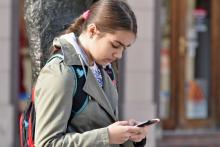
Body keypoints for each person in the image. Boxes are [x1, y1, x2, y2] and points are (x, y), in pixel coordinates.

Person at [34, 0, 149, 146]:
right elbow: (46, 143)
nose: (119, 55)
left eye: (124, 48)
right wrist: (106, 136)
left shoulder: (105, 70)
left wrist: (129, 136)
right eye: (115, 45)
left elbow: (100, 126)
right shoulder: (61, 72)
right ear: (92, 30)